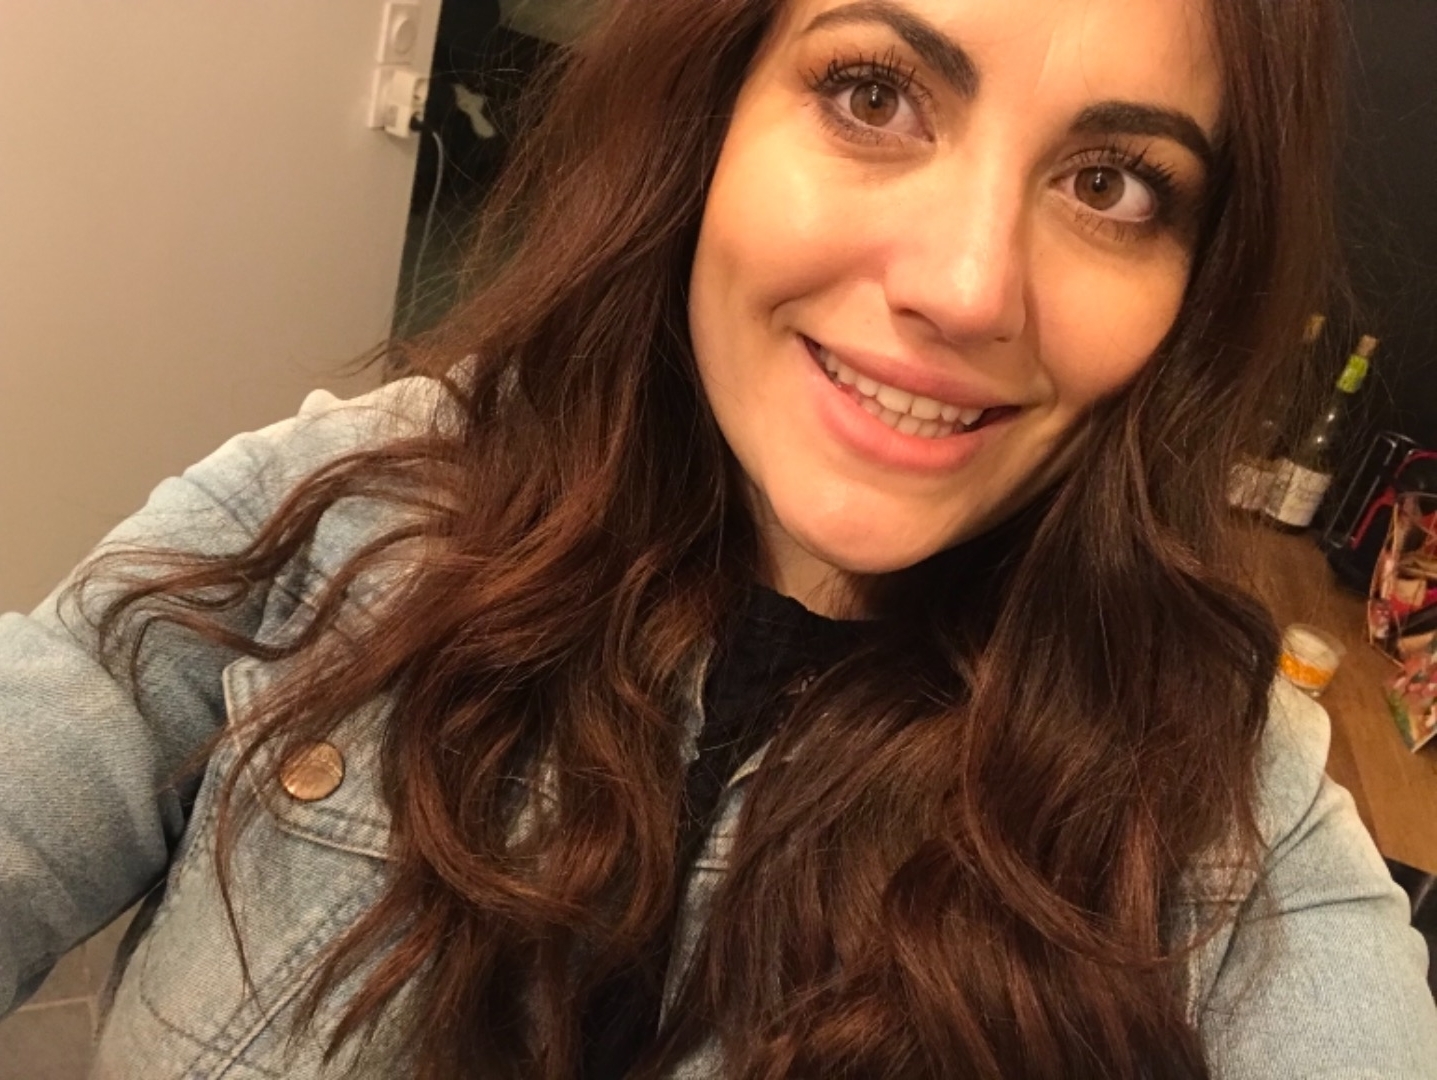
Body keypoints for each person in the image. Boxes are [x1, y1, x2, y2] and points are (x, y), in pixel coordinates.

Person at [2, 0, 1434, 1077]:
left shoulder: (1230, 818)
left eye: (1111, 182)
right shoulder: (336, 513)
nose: (965, 287)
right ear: (711, 114)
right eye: (874, 94)